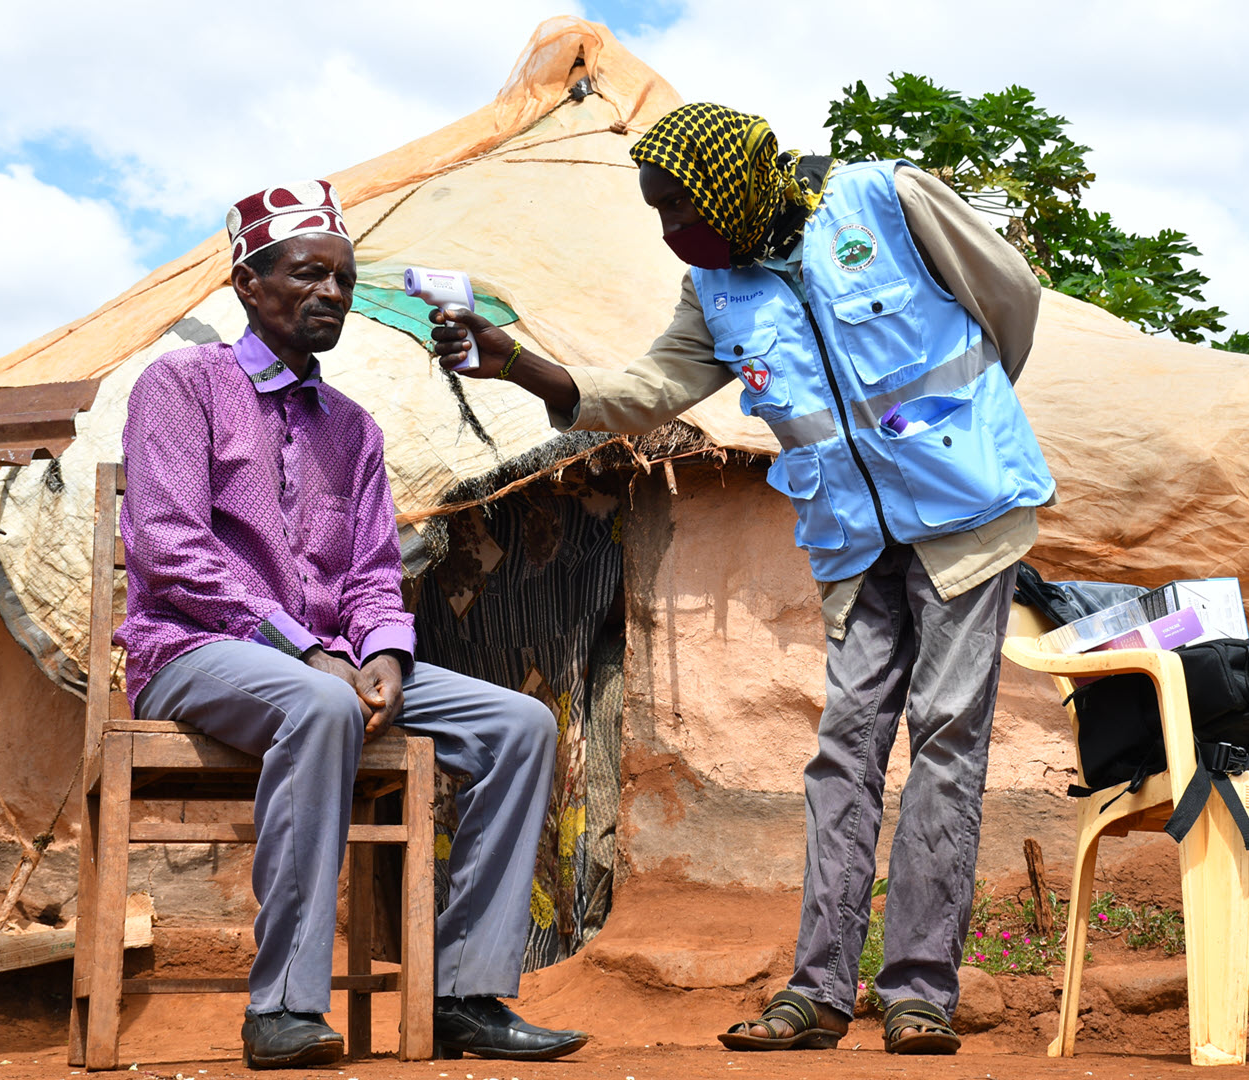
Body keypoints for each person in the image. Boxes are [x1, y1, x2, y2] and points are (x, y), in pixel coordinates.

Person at [432, 103, 1055, 1055]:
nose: (671, 231)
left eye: (678, 207)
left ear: (732, 185)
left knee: (947, 739)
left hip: (968, 515)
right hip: (853, 539)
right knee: (844, 752)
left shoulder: (883, 200)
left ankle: (920, 992)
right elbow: (647, 393)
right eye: (657, 214)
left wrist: (964, 427)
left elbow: (1009, 300)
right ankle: (818, 992)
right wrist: (527, 369)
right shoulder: (714, 290)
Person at [118, 179, 588, 1069]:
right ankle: (282, 1009)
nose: (330, 292)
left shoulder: (354, 429)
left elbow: (374, 572)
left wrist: (382, 656)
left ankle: (464, 995)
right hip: (194, 650)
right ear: (248, 285)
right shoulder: (182, 385)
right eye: (307, 275)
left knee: (519, 725)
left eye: (342, 278)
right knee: (320, 706)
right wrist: (305, 651)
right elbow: (168, 549)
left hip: (329, 662)